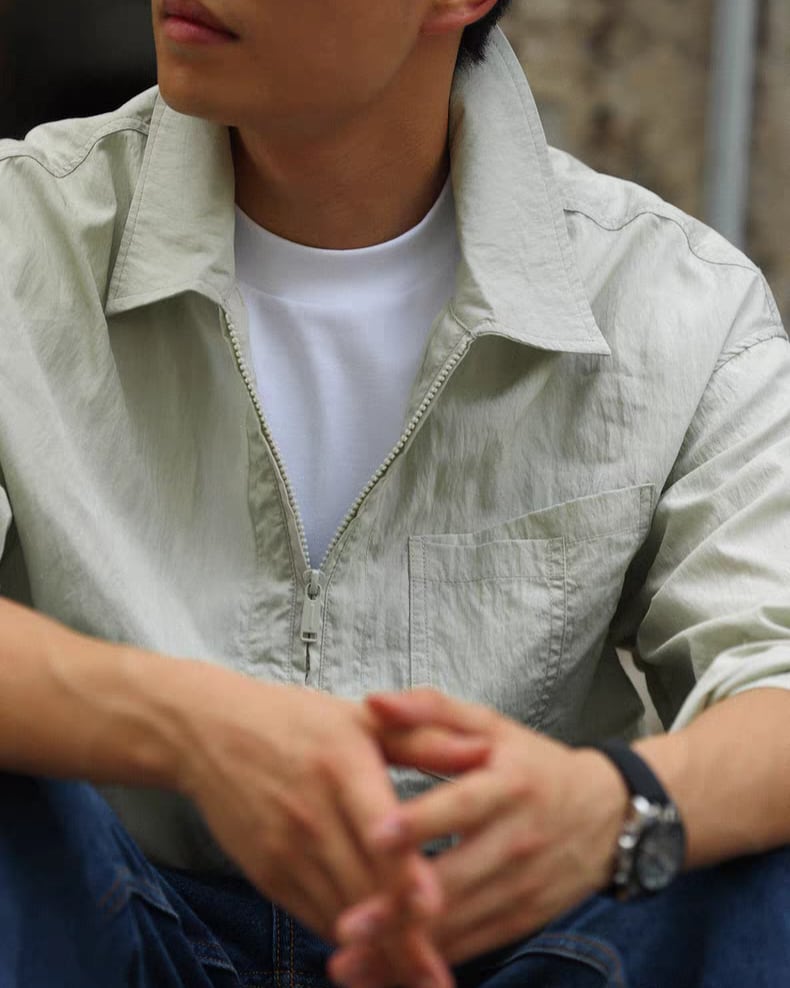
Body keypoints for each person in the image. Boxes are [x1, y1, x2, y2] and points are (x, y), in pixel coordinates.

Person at [1, 0, 790, 985]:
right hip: (102, 929)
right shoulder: (21, 233)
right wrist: (193, 730)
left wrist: (614, 808)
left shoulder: (673, 303)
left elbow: (776, 670)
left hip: (503, 947)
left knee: (754, 852)